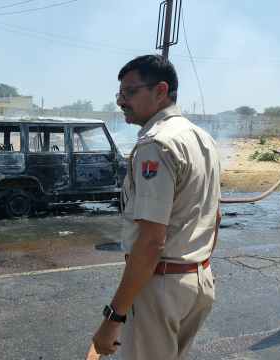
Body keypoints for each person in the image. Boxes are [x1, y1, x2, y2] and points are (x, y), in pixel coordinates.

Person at [92, 55, 221, 359]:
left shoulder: (156, 144)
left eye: (130, 92)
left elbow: (150, 242)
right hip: (198, 279)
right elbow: (214, 215)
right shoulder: (201, 138)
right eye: (119, 94)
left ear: (160, 90)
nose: (122, 101)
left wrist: (114, 318)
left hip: (162, 284)